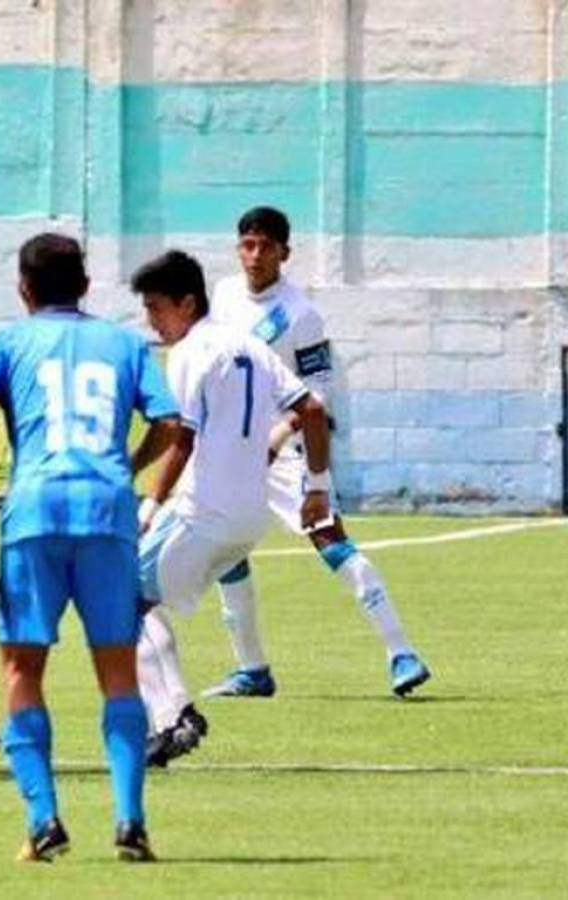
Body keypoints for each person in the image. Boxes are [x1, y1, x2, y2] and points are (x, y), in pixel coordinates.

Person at [0, 234, 178, 863]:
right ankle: (130, 821)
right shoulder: (126, 342)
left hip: (35, 512)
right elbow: (172, 425)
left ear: (23, 288)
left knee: (21, 670)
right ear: (86, 286)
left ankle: (43, 822)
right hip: (107, 511)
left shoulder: (8, 340)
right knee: (117, 672)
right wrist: (126, 465)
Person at [205, 206, 431, 698]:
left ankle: (401, 651)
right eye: (248, 244)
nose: (256, 255)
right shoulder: (222, 296)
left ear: (285, 252)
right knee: (226, 552)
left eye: (266, 246)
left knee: (329, 539)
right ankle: (252, 669)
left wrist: (278, 436)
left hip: (284, 452)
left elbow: (315, 395)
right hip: (230, 447)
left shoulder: (301, 315)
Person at [128, 250, 332, 766]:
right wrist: (317, 488)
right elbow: (311, 408)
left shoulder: (192, 352)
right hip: (250, 518)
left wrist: (148, 501)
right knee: (138, 602)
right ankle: (177, 713)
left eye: (156, 308)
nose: (151, 321)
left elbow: (179, 436)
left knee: (117, 597)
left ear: (186, 302)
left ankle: (174, 717)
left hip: (204, 511)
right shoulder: (251, 346)